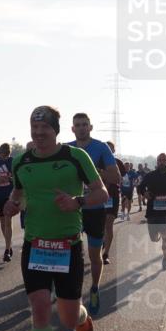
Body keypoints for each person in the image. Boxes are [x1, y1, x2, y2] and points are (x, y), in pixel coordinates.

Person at [3, 106, 106, 331]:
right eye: (34, 132)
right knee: (39, 311)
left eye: (44, 131)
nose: (38, 137)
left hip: (67, 246)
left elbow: (102, 193)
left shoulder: (75, 157)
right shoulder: (21, 161)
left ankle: (82, 317)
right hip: (35, 245)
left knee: (68, 317)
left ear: (56, 131)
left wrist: (78, 202)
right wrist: (12, 206)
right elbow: (17, 194)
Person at [67, 113, 120, 315]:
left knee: (94, 254)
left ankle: (95, 288)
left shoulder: (100, 148)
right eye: (77, 125)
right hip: (73, 210)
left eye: (84, 125)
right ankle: (70, 292)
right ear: (72, 129)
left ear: (90, 127)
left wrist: (91, 172)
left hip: (95, 210)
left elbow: (115, 176)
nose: (81, 128)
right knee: (67, 253)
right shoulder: (67, 149)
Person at [139, 153, 166, 271]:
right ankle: (155, 235)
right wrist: (145, 193)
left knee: (165, 235)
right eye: (159, 160)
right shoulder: (150, 176)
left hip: (165, 212)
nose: (161, 162)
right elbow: (140, 187)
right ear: (157, 162)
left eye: (164, 160)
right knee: (153, 238)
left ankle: (165, 259)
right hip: (152, 211)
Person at [102, 140, 127, 264]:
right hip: (99, 197)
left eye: (110, 148)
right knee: (100, 224)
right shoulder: (97, 161)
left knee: (109, 224)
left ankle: (106, 253)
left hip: (112, 196)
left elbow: (120, 178)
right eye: (105, 148)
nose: (108, 150)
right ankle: (102, 241)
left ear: (113, 150)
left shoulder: (118, 163)